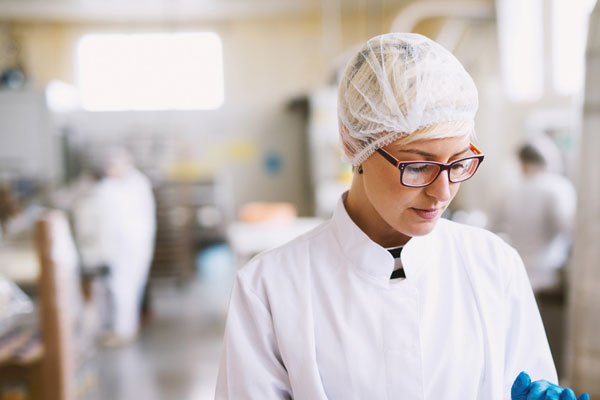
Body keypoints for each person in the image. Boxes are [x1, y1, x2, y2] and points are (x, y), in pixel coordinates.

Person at [216, 33, 588, 399]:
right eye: (418, 165)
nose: (442, 192)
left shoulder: (493, 265)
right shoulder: (269, 289)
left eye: (458, 161)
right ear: (353, 144)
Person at [76, 148, 156, 346]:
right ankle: (118, 329)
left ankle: (124, 331)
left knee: (126, 288)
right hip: (117, 248)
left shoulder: (136, 184)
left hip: (132, 248)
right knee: (116, 289)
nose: (109, 170)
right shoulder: (110, 187)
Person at [494, 140, 577, 292]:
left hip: (516, 270)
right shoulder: (557, 188)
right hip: (549, 274)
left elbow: (492, 227)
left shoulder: (509, 190)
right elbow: (567, 227)